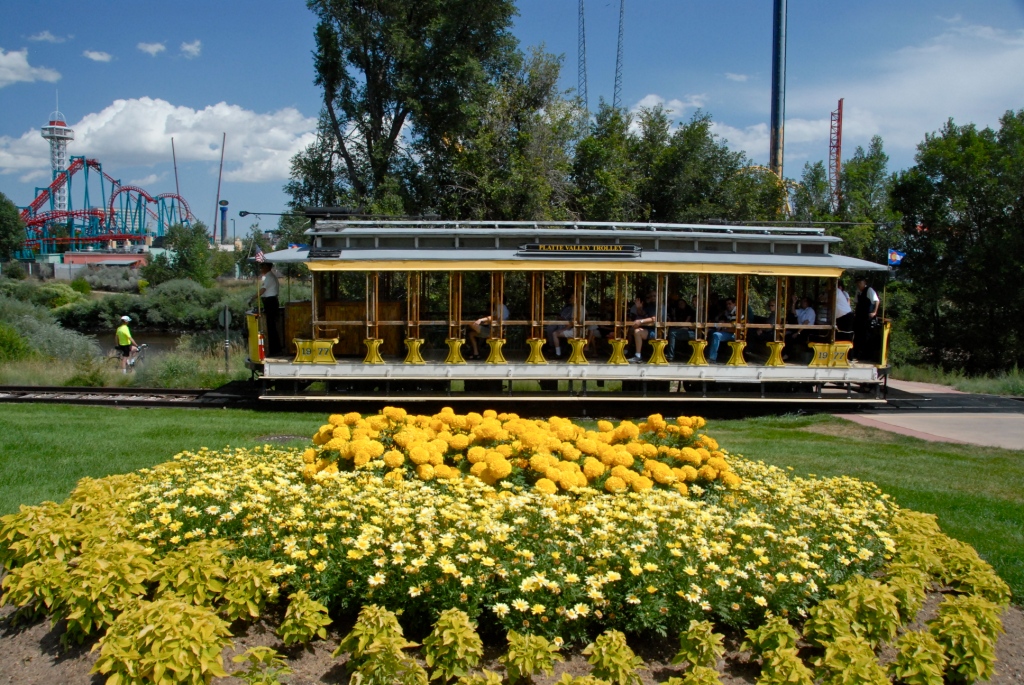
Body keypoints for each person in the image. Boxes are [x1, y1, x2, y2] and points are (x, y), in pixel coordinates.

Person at [252, 263, 281, 356]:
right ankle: (274, 348)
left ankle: (274, 349)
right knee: (271, 325)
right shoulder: (270, 276)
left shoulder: (269, 277)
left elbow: (262, 290)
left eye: (262, 267)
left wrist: (253, 298)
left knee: (270, 326)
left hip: (270, 301)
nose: (261, 269)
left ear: (267, 267)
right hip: (270, 301)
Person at [853, 278, 880, 361]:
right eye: (857, 283)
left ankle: (866, 356)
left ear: (864, 283)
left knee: (866, 336)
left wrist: (874, 312)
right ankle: (857, 354)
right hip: (859, 317)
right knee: (858, 336)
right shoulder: (858, 292)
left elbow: (877, 301)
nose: (859, 284)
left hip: (867, 318)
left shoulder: (869, 290)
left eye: (860, 282)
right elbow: (856, 302)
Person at [628, 292, 658, 363]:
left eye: (654, 296)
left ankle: (638, 356)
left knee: (637, 332)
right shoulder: (650, 305)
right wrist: (639, 308)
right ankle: (628, 351)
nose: (652, 297)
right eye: (651, 296)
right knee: (631, 330)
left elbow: (654, 318)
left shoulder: (659, 306)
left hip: (657, 331)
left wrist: (641, 321)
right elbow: (643, 313)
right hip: (649, 329)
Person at [706, 297, 737, 363]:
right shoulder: (728, 312)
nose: (728, 306)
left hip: (736, 334)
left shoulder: (736, 313)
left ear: (735, 304)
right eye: (727, 304)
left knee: (716, 335)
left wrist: (722, 329)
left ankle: (712, 358)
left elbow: (733, 329)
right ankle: (707, 355)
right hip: (728, 331)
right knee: (711, 332)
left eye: (730, 304)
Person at [665, 294, 695, 362]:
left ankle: (670, 356)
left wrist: (679, 327)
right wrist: (674, 315)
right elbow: (676, 322)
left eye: (682, 303)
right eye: (679, 304)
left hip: (691, 332)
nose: (680, 304)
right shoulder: (678, 311)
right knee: (671, 331)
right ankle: (670, 354)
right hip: (682, 330)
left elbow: (686, 324)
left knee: (672, 333)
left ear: (685, 303)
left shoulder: (690, 311)